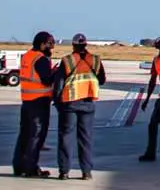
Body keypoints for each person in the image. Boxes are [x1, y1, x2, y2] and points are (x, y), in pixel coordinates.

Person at [54, 33, 106, 180]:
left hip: (70, 102)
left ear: (73, 45)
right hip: (88, 103)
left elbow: (58, 85)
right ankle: (86, 172)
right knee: (86, 138)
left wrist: (57, 102)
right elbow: (102, 80)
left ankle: (64, 171)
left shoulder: (67, 60)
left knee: (66, 137)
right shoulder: (95, 60)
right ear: (85, 45)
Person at [12, 31, 56, 178]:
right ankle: (31, 168)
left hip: (27, 100)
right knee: (36, 136)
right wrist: (55, 72)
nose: (52, 47)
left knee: (24, 134)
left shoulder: (27, 56)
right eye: (50, 43)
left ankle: (19, 166)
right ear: (42, 44)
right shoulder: (40, 59)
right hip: (39, 101)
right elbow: (46, 80)